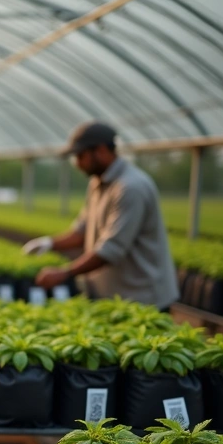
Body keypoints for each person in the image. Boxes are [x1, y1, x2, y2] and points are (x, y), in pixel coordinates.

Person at [24, 122, 179, 310]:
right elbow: (83, 230)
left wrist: (64, 273)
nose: (77, 163)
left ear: (102, 150)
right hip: (114, 297)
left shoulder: (130, 187)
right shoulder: (98, 183)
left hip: (142, 299)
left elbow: (111, 249)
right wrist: (50, 243)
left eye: (81, 156)